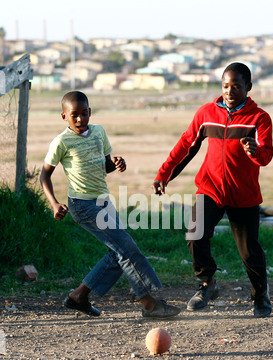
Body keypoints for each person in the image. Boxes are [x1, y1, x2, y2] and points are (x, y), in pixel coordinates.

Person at [40, 90, 180, 319]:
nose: (80, 120)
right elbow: (44, 176)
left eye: (84, 114)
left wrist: (116, 163)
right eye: (74, 115)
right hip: (83, 205)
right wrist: (54, 203)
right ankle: (149, 303)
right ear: (63, 116)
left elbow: (105, 165)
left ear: (90, 113)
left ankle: (78, 297)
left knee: (117, 253)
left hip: (104, 202)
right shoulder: (61, 142)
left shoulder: (99, 132)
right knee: (125, 247)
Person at [152, 62, 273, 318]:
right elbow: (186, 145)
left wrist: (254, 151)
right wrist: (164, 174)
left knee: (249, 251)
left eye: (237, 87)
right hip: (211, 190)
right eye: (226, 86)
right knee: (195, 236)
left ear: (248, 88)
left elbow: (265, 155)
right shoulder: (207, 113)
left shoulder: (259, 118)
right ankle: (208, 283)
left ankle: (260, 296)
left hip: (243, 196)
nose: (230, 91)